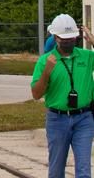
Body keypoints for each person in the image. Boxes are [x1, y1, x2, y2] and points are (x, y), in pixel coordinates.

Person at [31, 13, 94, 178]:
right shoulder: (45, 61)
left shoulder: (86, 57)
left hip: (84, 119)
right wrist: (46, 73)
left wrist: (93, 41)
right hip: (57, 120)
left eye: (71, 39)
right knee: (57, 170)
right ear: (55, 37)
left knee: (84, 171)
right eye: (64, 39)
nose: (68, 42)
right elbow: (36, 94)